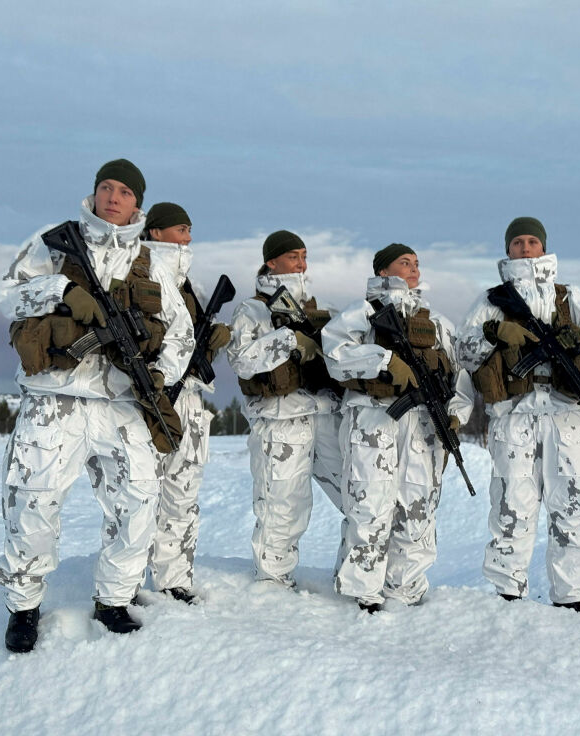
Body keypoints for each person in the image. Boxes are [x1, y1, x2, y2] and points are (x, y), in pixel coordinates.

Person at [0, 159, 195, 652]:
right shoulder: (53, 241)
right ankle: (23, 607)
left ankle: (113, 599)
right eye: (105, 186)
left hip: (121, 404)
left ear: (137, 204)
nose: (112, 195)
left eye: (123, 191)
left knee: (139, 501)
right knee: (33, 502)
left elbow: (181, 333)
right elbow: (6, 295)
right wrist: (60, 289)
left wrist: (158, 379)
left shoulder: (150, 263)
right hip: (54, 401)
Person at [457, 217, 580, 612]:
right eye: (517, 242)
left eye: (532, 241)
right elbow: (464, 352)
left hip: (568, 416)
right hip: (513, 415)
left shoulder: (569, 297)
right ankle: (508, 593)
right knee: (512, 505)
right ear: (508, 249)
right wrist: (494, 334)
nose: (526, 248)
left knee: (575, 507)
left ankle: (571, 598)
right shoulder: (492, 301)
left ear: (544, 247)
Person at [322, 243, 473, 612]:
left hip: (422, 424)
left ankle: (405, 589)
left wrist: (455, 414)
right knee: (370, 505)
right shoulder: (362, 313)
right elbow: (334, 354)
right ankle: (364, 592)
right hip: (374, 418)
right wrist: (385, 360)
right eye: (404, 262)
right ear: (383, 270)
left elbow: (461, 376)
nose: (413, 268)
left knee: (418, 508)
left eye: (417, 263)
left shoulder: (437, 322)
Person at [225, 230, 343, 589]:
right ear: (272, 261)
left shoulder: (316, 309)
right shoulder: (253, 309)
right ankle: (274, 583)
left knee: (358, 496)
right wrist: (289, 340)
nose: (301, 263)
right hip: (280, 422)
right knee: (282, 508)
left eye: (304, 256)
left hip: (324, 414)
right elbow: (241, 361)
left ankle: (358, 580)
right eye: (293, 256)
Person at [137, 202, 231, 604]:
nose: (188, 237)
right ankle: (122, 584)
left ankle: (174, 579)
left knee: (182, 493)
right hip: (150, 397)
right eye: (180, 229)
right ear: (156, 233)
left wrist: (212, 344)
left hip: (189, 399)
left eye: (190, 230)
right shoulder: (138, 272)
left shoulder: (192, 285)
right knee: (139, 495)